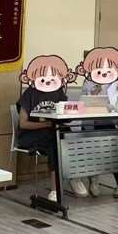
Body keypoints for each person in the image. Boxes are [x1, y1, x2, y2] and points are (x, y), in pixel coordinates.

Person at [75, 47, 118, 198]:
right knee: (91, 150)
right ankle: (94, 180)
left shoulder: (115, 79)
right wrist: (94, 92)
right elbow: (83, 102)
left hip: (108, 120)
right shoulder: (88, 81)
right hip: (90, 121)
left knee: (113, 150)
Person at [17, 55, 76, 202]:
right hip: (30, 135)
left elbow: (65, 113)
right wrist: (47, 124)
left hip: (51, 131)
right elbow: (23, 124)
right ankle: (55, 189)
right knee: (55, 142)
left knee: (69, 136)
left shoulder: (58, 92)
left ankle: (74, 175)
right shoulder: (30, 93)